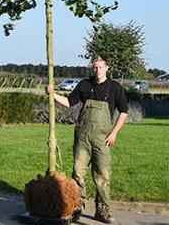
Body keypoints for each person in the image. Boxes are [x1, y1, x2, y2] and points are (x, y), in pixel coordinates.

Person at [46, 56, 129, 224]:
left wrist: (114, 133)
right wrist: (52, 94)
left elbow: (124, 111)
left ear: (106, 68)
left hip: (102, 139)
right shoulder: (85, 84)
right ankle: (77, 206)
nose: (97, 70)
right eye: (95, 67)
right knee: (78, 172)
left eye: (100, 67)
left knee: (103, 175)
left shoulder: (115, 88)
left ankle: (102, 210)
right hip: (82, 137)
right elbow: (69, 102)